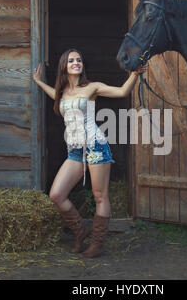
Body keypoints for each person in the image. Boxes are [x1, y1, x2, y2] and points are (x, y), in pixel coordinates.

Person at [33, 48, 146, 258]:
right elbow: (53, 95)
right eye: (71, 61)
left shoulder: (92, 88)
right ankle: (80, 231)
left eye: (79, 60)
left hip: (95, 147)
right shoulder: (62, 91)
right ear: (64, 66)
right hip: (75, 151)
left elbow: (122, 92)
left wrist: (135, 74)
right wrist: (39, 82)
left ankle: (97, 243)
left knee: (100, 196)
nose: (76, 63)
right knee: (56, 195)